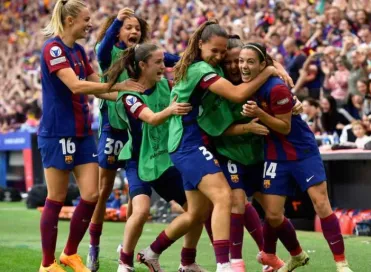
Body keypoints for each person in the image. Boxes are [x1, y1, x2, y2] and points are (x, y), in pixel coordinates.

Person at [38, 1, 143, 271]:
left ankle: (69, 253)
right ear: (70, 20)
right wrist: (119, 85)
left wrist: (130, 93)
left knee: (92, 194)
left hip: (83, 131)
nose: (90, 24)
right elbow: (75, 85)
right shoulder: (53, 48)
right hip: (58, 131)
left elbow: (99, 87)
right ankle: (47, 263)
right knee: (56, 197)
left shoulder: (79, 50)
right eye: (86, 19)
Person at [167, 20, 277, 272]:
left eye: (223, 53)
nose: (219, 57)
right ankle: (225, 264)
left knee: (201, 210)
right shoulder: (202, 69)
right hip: (188, 142)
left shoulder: (204, 65)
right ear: (201, 44)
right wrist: (268, 71)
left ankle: (172, 258)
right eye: (215, 51)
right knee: (224, 199)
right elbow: (237, 96)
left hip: (198, 141)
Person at [240, 43, 352, 272]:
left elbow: (284, 127)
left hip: (301, 151)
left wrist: (259, 113)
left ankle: (341, 264)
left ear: (263, 65)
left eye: (250, 62)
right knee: (272, 214)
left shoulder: (277, 88)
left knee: (321, 204)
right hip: (274, 154)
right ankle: (296, 255)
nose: (243, 66)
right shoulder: (243, 86)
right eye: (242, 61)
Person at [88, 7, 182, 271]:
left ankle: (125, 249)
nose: (134, 32)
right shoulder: (109, 53)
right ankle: (94, 245)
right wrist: (117, 20)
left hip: (138, 129)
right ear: (118, 30)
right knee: (103, 190)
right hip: (113, 128)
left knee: (135, 199)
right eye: (128, 27)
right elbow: (102, 48)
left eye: (137, 28)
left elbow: (177, 59)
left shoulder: (147, 57)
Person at [105, 43, 207, 272]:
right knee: (141, 211)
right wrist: (170, 110)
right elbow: (151, 118)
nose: (164, 66)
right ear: (142, 65)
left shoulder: (167, 86)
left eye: (164, 61)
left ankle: (182, 260)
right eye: (158, 62)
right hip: (138, 161)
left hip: (165, 161)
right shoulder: (129, 95)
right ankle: (125, 263)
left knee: (197, 210)